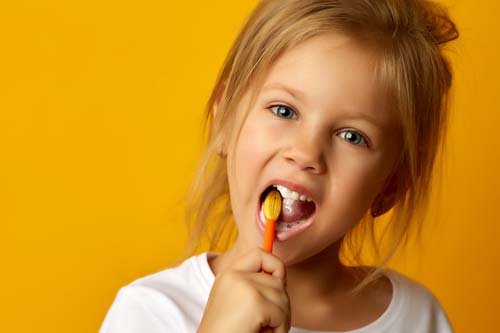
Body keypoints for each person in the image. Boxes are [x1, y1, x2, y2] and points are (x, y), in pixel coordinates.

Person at [99, 0, 459, 332]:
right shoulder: (150, 312)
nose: (305, 153)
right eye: (284, 111)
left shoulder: (419, 319)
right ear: (225, 119)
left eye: (352, 136)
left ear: (391, 186)